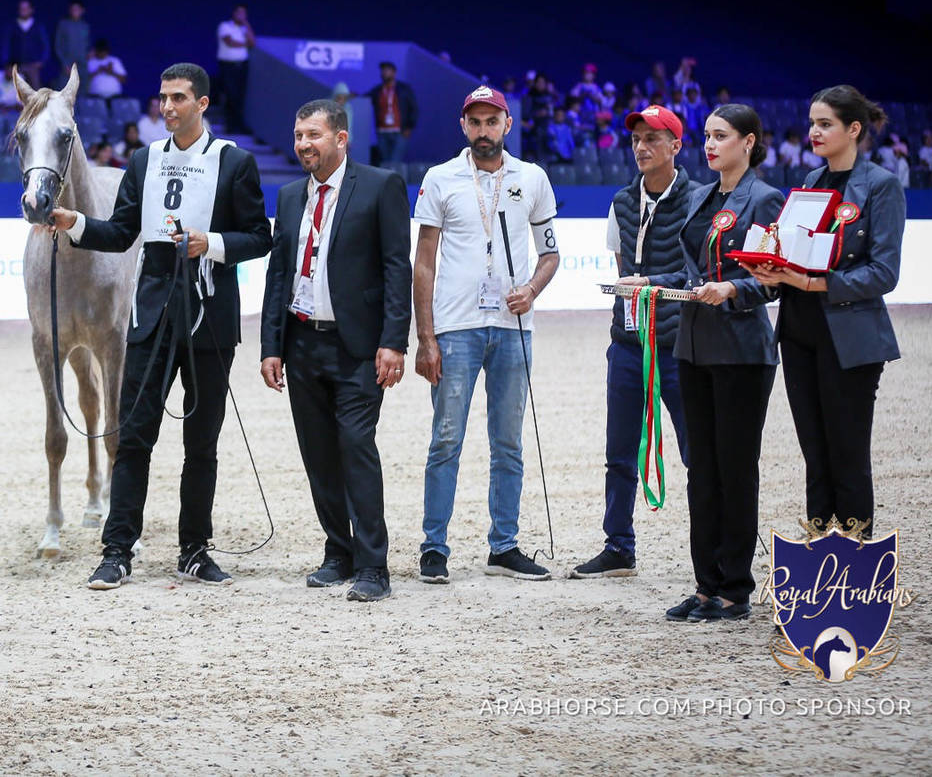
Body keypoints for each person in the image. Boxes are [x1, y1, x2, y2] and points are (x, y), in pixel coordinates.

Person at [49, 63, 271, 590]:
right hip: (150, 316)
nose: (167, 107)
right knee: (134, 438)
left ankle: (194, 549)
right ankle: (117, 548)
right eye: (163, 97)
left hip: (210, 317)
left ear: (203, 104)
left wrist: (211, 245)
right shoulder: (144, 160)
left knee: (202, 442)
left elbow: (259, 236)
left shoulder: (233, 163)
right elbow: (123, 230)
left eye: (178, 98)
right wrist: (75, 224)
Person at [622, 105, 784, 621]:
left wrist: (735, 287)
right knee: (702, 470)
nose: (710, 145)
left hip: (740, 350)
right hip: (693, 346)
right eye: (708, 136)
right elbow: (687, 268)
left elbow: (773, 277)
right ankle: (706, 582)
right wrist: (651, 282)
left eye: (722, 136)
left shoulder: (763, 199)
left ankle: (735, 586)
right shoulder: (702, 198)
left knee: (734, 468)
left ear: (749, 142)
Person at [260, 100, 410, 602]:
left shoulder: (380, 185)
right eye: (298, 135)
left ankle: (374, 567)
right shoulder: (286, 196)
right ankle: (338, 552)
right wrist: (271, 346)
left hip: (358, 349)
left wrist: (393, 342)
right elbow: (279, 273)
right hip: (302, 343)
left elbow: (396, 269)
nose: (304, 144)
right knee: (319, 455)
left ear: (341, 138)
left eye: (313, 135)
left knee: (355, 448)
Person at [412, 86, 560, 584]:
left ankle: (505, 546)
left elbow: (550, 253)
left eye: (491, 121)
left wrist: (533, 289)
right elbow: (424, 263)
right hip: (455, 328)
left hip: (513, 326)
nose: (483, 131)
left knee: (508, 443)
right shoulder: (440, 179)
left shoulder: (533, 178)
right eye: (474, 122)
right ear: (463, 127)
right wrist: (425, 337)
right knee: (445, 439)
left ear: (507, 124)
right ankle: (434, 546)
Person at [747, 86, 904, 539]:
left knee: (848, 453)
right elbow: (799, 252)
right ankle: (819, 551)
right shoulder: (811, 183)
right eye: (812, 123)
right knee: (815, 455)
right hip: (798, 331)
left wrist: (818, 283)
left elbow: (884, 272)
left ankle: (856, 563)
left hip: (850, 338)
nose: (814, 132)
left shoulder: (881, 186)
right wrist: (772, 266)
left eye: (825, 124)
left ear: (854, 129)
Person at [568, 105, 698, 581]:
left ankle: (714, 554)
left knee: (696, 454)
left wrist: (652, 283)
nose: (642, 147)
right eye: (637, 139)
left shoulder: (698, 201)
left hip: (681, 346)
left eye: (653, 139)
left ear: (675, 146)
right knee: (618, 452)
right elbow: (624, 267)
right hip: (627, 344)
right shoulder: (622, 201)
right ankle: (618, 546)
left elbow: (695, 275)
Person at [367, 61, 418, 166]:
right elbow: (364, 98)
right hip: (382, 132)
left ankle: (393, 182)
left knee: (395, 162)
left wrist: (409, 127)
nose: (384, 73)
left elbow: (414, 109)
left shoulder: (404, 89)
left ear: (394, 73)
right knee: (385, 162)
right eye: (382, 71)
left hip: (400, 132)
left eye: (387, 70)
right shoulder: (378, 90)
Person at [215, 5, 255, 133]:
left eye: (244, 13)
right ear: (234, 13)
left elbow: (253, 42)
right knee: (230, 94)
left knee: (240, 95)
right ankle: (229, 125)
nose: (241, 15)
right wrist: (245, 44)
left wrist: (246, 24)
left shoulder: (244, 28)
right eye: (239, 12)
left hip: (242, 65)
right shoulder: (225, 26)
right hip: (228, 65)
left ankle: (240, 124)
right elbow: (229, 42)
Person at [5, 0, 50, 83]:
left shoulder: (38, 26)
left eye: (26, 8)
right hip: (16, 65)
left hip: (33, 65)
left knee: (34, 90)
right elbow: (6, 44)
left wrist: (42, 61)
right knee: (16, 90)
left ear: (31, 10)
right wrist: (7, 63)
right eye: (21, 8)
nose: (24, 10)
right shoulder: (12, 26)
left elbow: (45, 45)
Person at [54, 0, 90, 85]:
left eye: (77, 9)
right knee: (65, 90)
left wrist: (88, 56)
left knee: (82, 90)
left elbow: (87, 44)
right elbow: (57, 46)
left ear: (82, 10)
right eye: (73, 9)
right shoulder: (63, 24)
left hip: (82, 65)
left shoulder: (85, 26)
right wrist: (65, 64)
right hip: (68, 64)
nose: (75, 11)